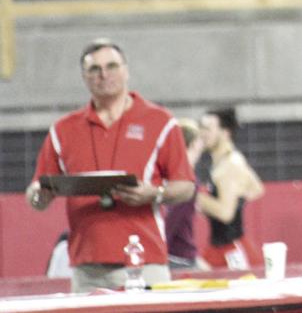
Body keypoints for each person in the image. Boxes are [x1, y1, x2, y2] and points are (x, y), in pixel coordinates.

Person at [24, 39, 196, 292]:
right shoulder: (63, 129)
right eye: (95, 69)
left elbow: (186, 186)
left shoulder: (160, 121)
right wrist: (39, 196)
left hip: (145, 263)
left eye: (112, 66)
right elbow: (37, 191)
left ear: (126, 71)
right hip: (87, 270)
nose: (104, 75)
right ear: (84, 77)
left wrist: (155, 194)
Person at [196, 108, 265, 269]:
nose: (202, 133)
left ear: (225, 133)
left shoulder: (229, 165)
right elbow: (256, 188)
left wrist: (195, 196)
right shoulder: (230, 159)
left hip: (230, 249)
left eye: (207, 129)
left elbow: (225, 214)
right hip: (219, 246)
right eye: (201, 127)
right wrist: (236, 197)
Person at [165, 117, 206, 271]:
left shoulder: (172, 175)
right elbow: (171, 221)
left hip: (176, 255)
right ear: (195, 143)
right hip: (179, 258)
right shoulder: (186, 180)